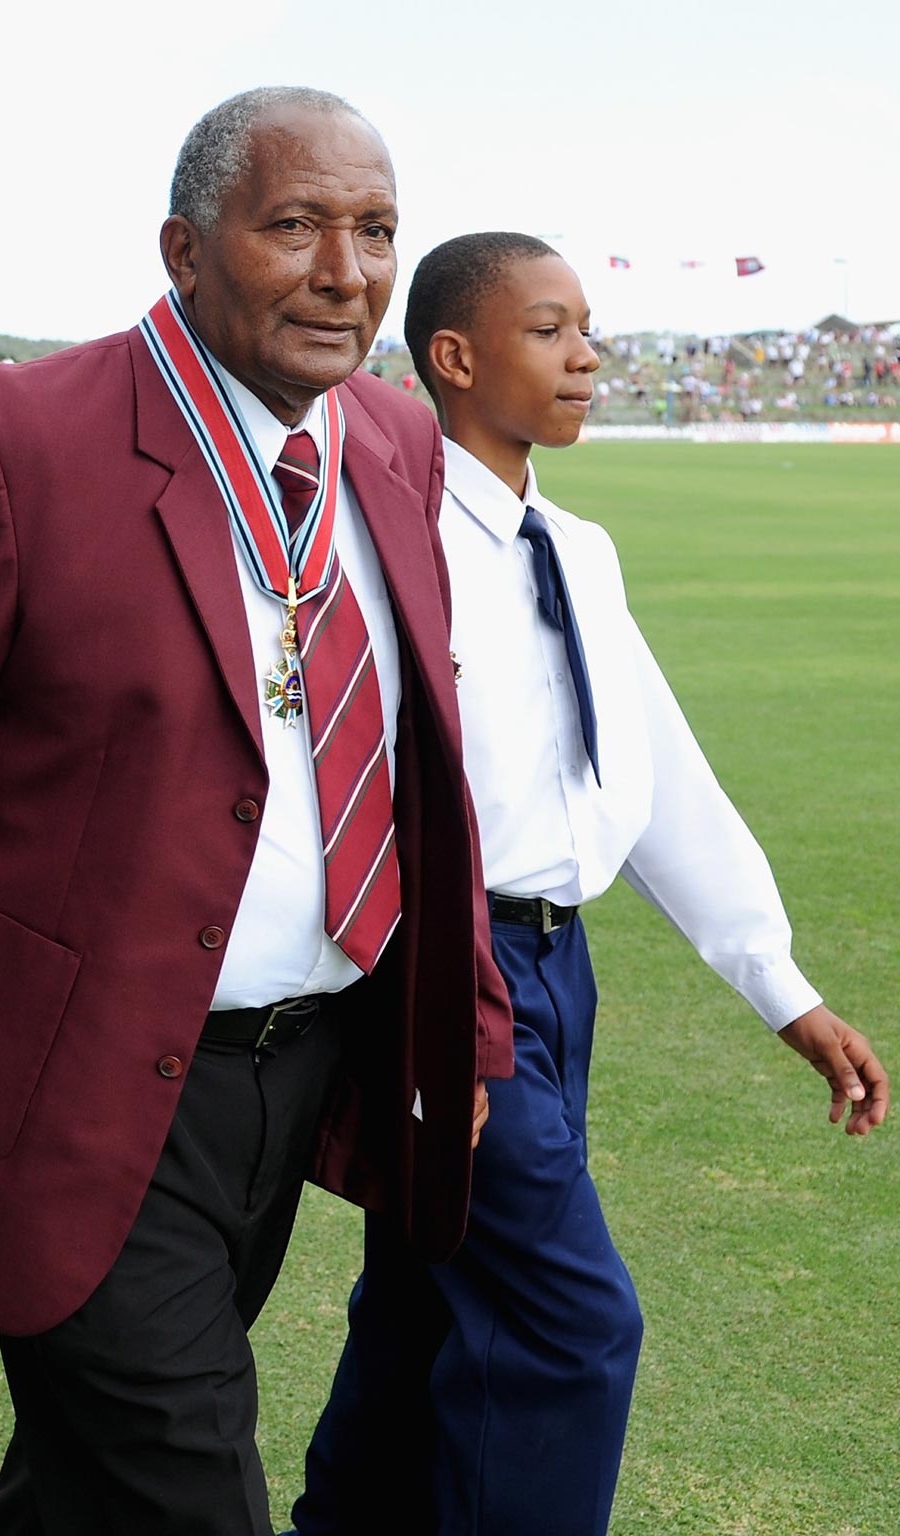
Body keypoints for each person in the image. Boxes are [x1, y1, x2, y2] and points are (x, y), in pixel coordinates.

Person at [0, 88, 508, 1536]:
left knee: (88, 1477)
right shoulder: (12, 440)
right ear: (186, 249)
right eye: (296, 225)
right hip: (77, 1084)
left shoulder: (393, 441)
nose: (345, 271)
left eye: (375, 231)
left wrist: (472, 1022)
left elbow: (420, 757)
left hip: (301, 1069)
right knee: (188, 1479)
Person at [291, 234, 890, 1536]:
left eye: (587, 328)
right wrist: (430, 998)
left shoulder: (576, 549)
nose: (589, 357)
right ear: (453, 359)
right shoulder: (386, 538)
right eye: (550, 330)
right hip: (455, 973)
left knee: (426, 1290)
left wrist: (780, 987)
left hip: (563, 972)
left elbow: (656, 775)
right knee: (571, 1326)